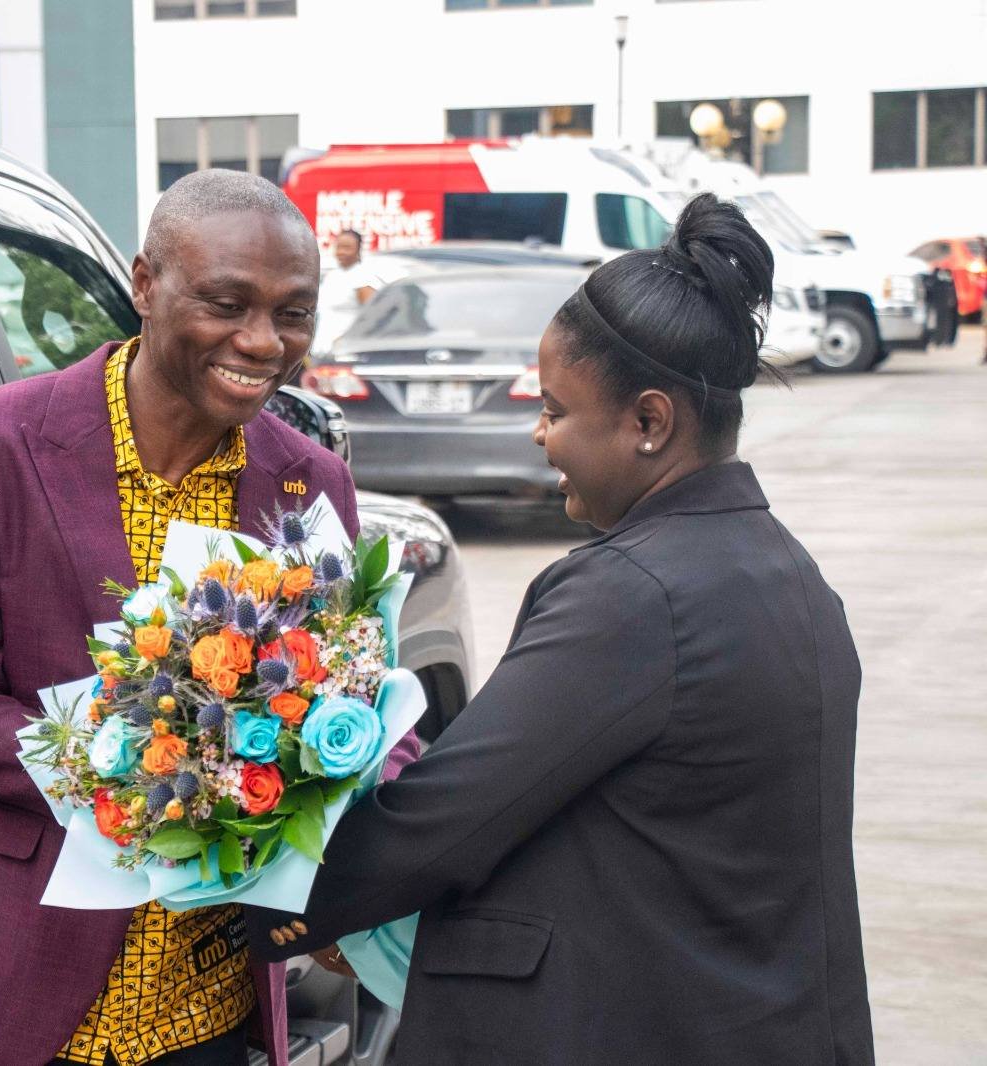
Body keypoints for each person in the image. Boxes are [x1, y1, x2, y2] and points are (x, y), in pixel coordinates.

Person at [248, 194, 875, 1065]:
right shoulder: (789, 574)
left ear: (648, 423)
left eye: (555, 409)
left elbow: (452, 820)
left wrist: (249, 905)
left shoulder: (631, 596)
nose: (539, 435)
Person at [0, 169, 413, 1066]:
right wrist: (157, 773)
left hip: (200, 1004)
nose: (263, 342)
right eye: (226, 304)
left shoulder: (309, 480)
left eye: (293, 314)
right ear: (146, 284)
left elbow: (353, 688)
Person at [312, 229, 380, 355]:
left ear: (358, 250)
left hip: (346, 352)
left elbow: (372, 317)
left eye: (347, 247)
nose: (341, 252)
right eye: (338, 247)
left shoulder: (363, 277)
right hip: (322, 352)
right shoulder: (332, 276)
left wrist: (346, 339)